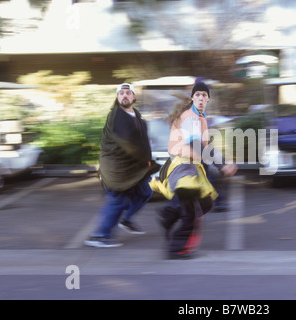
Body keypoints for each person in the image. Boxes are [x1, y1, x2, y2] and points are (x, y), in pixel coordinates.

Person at [150, 81, 237, 259]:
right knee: (192, 211)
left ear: (208, 99)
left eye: (204, 95)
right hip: (183, 168)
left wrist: (219, 161)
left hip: (188, 168)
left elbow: (203, 145)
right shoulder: (190, 117)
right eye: (198, 94)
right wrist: (222, 165)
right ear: (192, 97)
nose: (201, 98)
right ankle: (175, 247)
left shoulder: (199, 118)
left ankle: (168, 217)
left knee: (202, 204)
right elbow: (194, 144)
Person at [84, 83, 159, 248]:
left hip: (134, 168)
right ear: (117, 97)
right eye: (121, 94)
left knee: (145, 191)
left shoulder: (136, 116)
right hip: (117, 169)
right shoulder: (117, 116)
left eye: (128, 93)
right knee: (117, 200)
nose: (124, 96)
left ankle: (126, 220)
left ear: (133, 97)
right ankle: (100, 235)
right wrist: (144, 160)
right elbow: (127, 143)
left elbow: (142, 141)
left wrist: (148, 160)